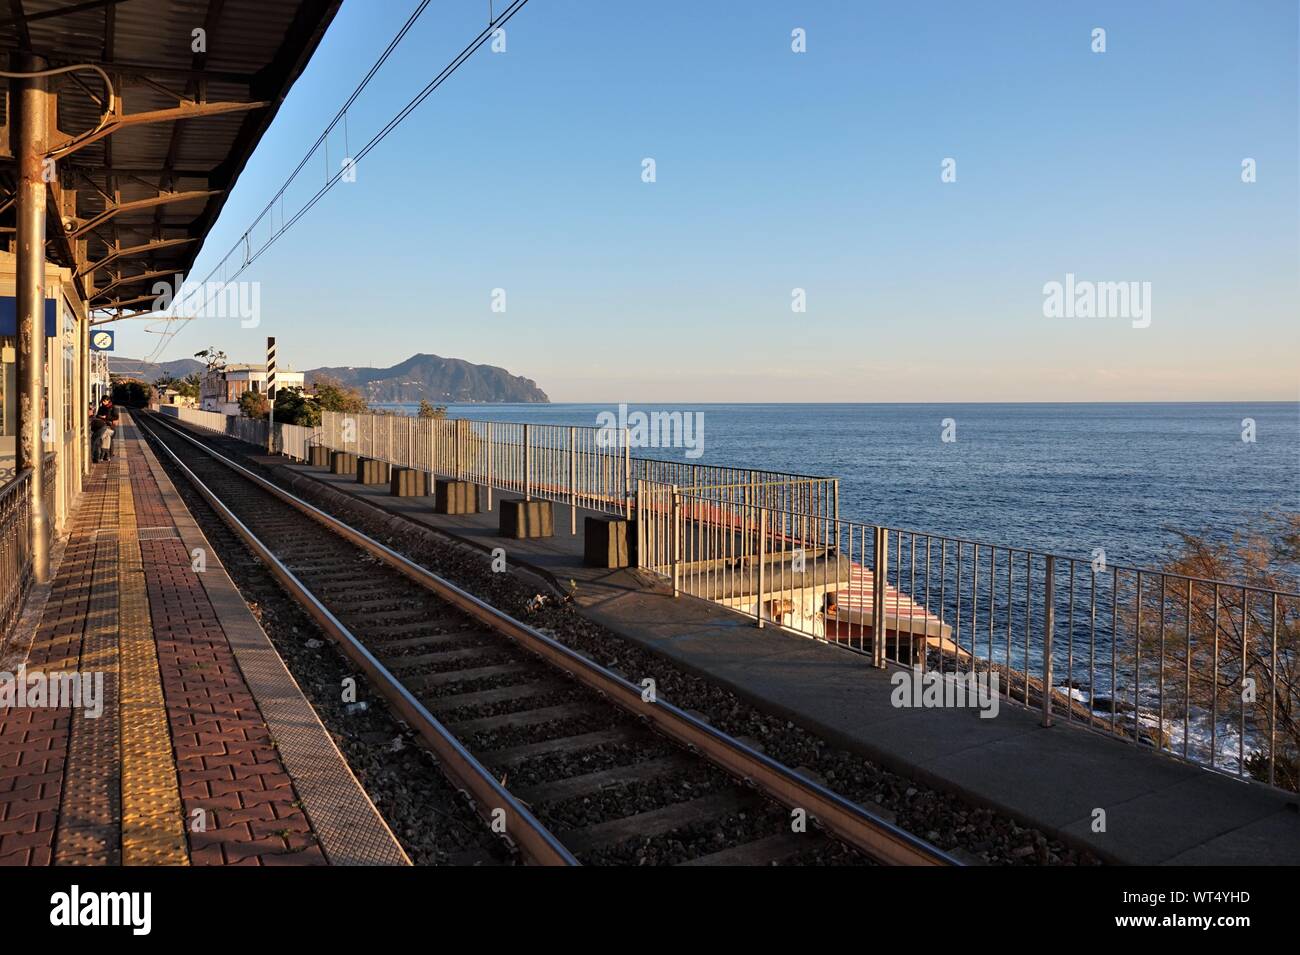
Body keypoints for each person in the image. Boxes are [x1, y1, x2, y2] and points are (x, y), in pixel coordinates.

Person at [94, 396, 119, 461]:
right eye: (102, 401)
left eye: (104, 401)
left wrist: (106, 417)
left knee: (109, 439)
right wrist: (99, 416)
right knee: (103, 439)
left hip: (110, 426)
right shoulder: (101, 407)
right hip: (102, 425)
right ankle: (104, 455)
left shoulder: (113, 408)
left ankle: (109, 455)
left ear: (108, 401)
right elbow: (97, 415)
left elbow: (116, 417)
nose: (103, 402)